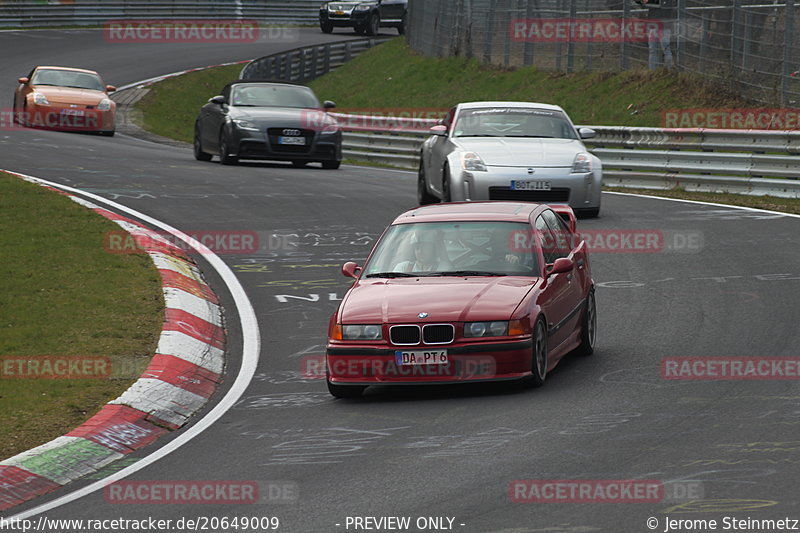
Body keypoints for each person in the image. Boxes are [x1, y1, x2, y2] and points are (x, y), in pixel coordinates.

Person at [635, 0, 677, 70]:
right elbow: (642, 2)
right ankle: (652, 70)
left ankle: (669, 70)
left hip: (664, 27)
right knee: (653, 50)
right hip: (654, 26)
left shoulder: (668, 2)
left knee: (666, 49)